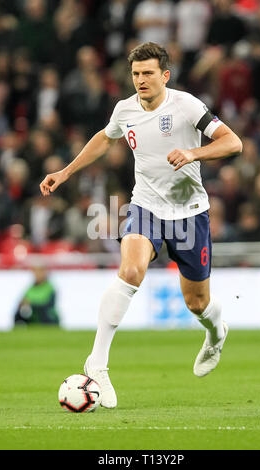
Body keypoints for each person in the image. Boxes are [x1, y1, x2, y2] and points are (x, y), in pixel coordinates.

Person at [40, 42, 243, 409]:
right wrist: (66, 171)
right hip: (145, 207)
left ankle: (216, 333)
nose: (140, 80)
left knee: (197, 303)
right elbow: (105, 137)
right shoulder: (125, 109)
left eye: (148, 73)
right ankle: (97, 364)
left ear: (165, 75)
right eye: (135, 74)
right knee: (130, 270)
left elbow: (234, 142)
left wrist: (194, 152)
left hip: (190, 213)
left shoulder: (187, 106)